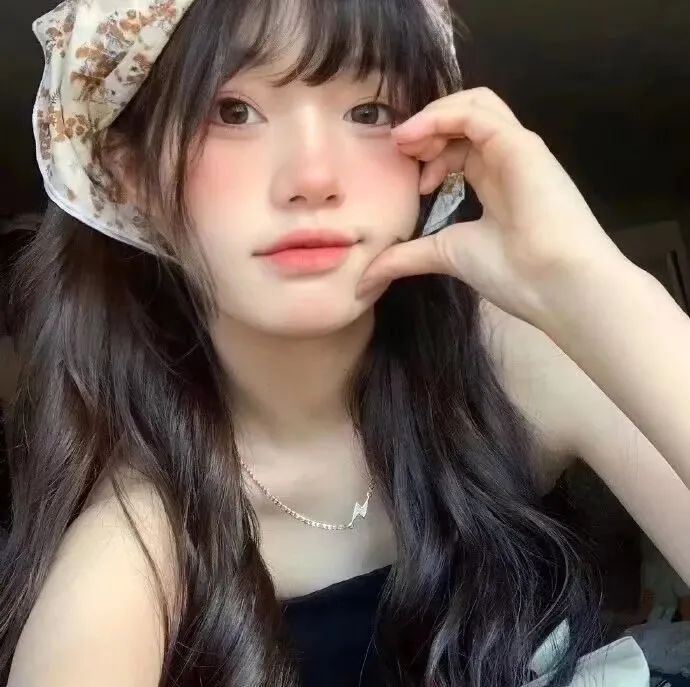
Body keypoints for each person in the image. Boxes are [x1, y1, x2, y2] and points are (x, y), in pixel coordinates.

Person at [0, 0, 688, 685]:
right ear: (128, 175)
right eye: (233, 111)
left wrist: (588, 284)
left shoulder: (510, 365)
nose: (314, 180)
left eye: (369, 111)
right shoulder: (136, 542)